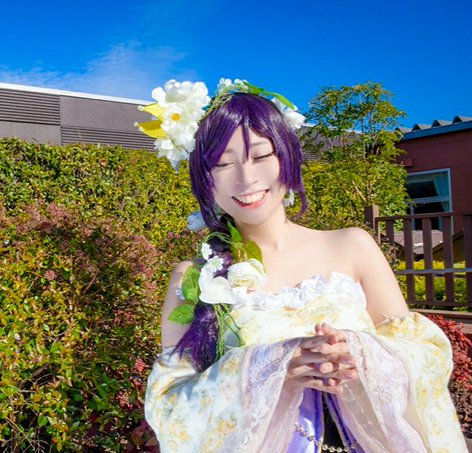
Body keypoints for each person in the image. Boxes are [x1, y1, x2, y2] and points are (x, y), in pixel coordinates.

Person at [136, 79, 466, 452]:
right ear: (204, 179)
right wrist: (269, 368)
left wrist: (360, 354)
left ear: (287, 157)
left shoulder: (352, 245)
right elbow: (169, 408)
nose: (246, 178)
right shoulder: (195, 278)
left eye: (261, 156)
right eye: (222, 163)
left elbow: (426, 357)